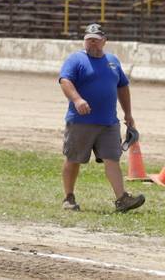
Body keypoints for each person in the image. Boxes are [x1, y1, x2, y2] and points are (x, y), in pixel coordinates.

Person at [58, 23, 145, 213]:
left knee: (112, 159)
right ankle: (69, 197)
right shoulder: (76, 59)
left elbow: (122, 87)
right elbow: (65, 81)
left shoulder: (113, 61)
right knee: (73, 159)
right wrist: (77, 99)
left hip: (108, 122)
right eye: (89, 40)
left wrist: (128, 114)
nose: (92, 44)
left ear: (104, 41)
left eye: (96, 40)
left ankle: (122, 199)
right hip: (81, 122)